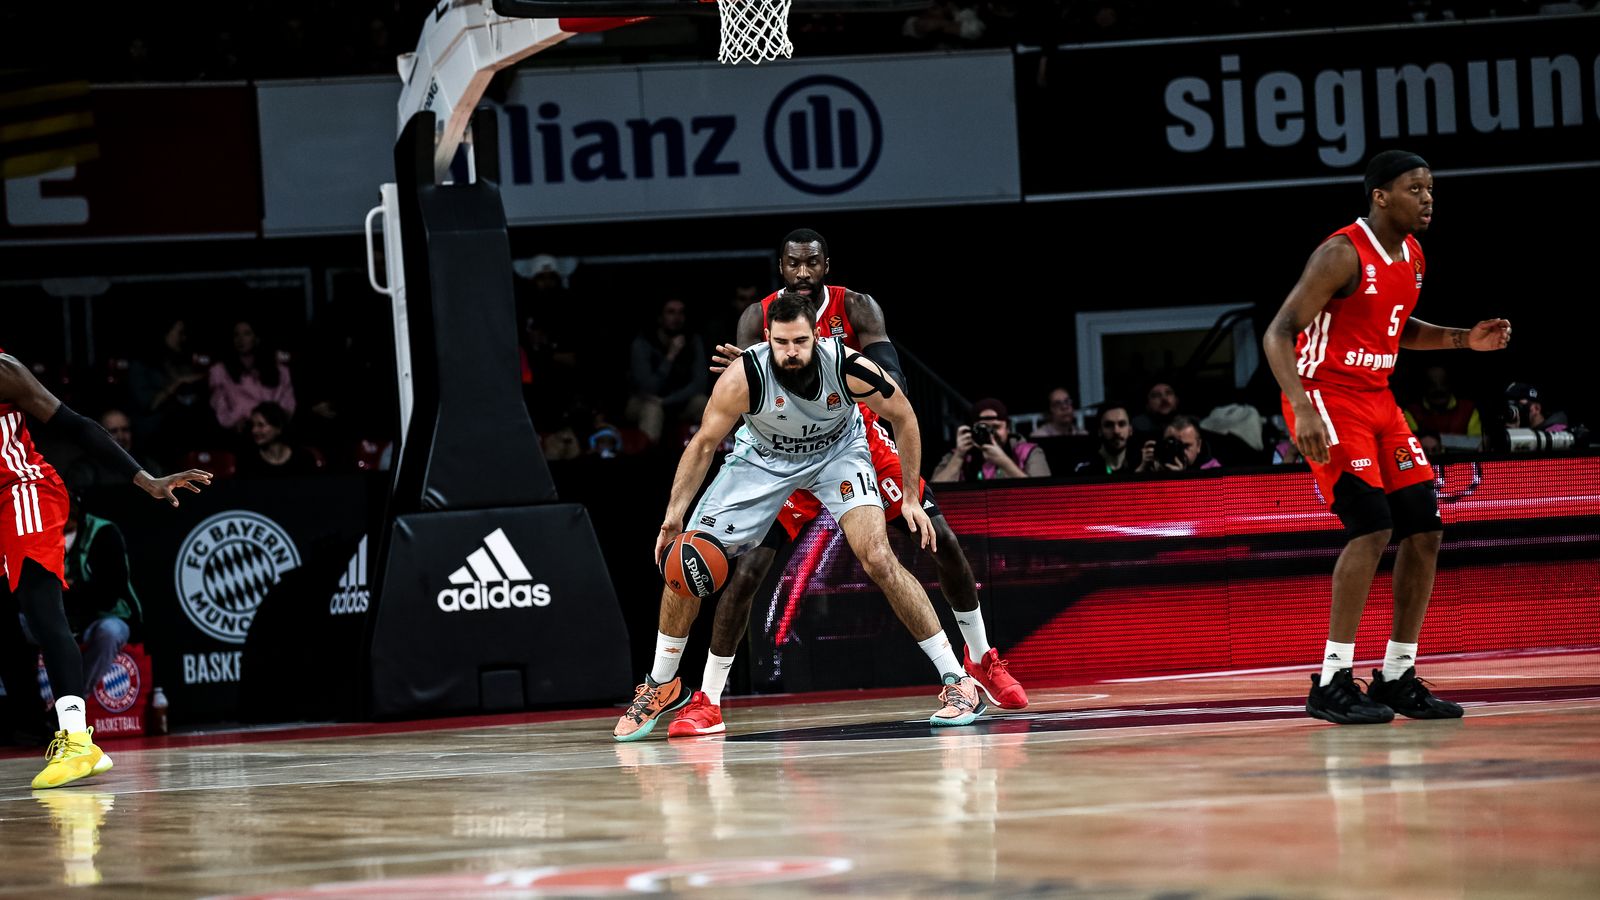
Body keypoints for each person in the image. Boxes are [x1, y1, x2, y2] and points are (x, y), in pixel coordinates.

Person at [684, 230, 1028, 737]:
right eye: (794, 265)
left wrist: (851, 379)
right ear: (781, 267)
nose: (803, 274)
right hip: (784, 449)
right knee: (749, 571)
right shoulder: (759, 318)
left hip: (851, 439)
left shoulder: (858, 308)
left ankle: (980, 659)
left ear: (826, 265)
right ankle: (709, 697)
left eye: (812, 264)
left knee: (938, 537)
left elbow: (893, 385)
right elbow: (747, 391)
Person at [614, 293, 986, 741]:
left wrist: (909, 495)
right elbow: (703, 445)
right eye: (782, 342)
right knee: (687, 558)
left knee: (878, 558)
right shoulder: (743, 377)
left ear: (817, 336)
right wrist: (673, 518)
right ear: (767, 337)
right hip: (763, 461)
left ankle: (959, 681)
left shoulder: (848, 367)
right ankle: (662, 684)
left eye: (801, 341)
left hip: (838, 455)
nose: (791, 352)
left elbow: (904, 416)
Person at [1262, 149, 1510, 726]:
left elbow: (1398, 330)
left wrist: (1461, 342)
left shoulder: (1415, 256)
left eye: (1430, 188)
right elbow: (1278, 332)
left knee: (1424, 526)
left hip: (1378, 399)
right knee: (1373, 525)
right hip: (1325, 393)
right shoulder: (1340, 253)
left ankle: (1397, 674)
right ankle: (1331, 680)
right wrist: (1300, 407)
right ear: (1380, 196)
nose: (1428, 198)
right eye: (1415, 188)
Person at [0, 347, 211, 788]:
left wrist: (144, 479)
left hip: (22, 493)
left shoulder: (5, 370)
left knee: (41, 610)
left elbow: (76, 425)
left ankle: (76, 740)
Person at [626, 297, 710, 446]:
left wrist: (667, 401)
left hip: (677, 401)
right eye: (671, 312)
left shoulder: (692, 340)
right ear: (660, 317)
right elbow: (648, 388)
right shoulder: (643, 342)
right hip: (644, 402)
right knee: (653, 409)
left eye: (681, 313)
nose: (676, 318)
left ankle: (707, 460)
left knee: (703, 403)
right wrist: (670, 357)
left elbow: (699, 384)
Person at [932, 397, 1051, 482]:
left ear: (1008, 428)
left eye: (995, 427)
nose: (990, 434)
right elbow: (933, 497)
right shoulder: (956, 455)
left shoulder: (1030, 452)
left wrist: (1004, 462)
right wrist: (958, 456)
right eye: (984, 428)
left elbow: (1044, 494)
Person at [209, 319, 295, 434]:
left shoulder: (278, 370)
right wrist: (234, 424)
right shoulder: (220, 371)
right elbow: (220, 407)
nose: (240, 339)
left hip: (274, 429)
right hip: (241, 430)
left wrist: (273, 423)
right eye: (236, 335)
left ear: (256, 338)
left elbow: (287, 403)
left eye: (247, 334)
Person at [236, 402, 321, 478]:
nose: (253, 430)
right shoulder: (249, 461)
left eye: (260, 425)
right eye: (252, 425)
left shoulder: (302, 458)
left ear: (279, 428)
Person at [1135, 414, 1220, 473]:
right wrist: (1142, 470)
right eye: (1172, 444)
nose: (1180, 451)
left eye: (1186, 446)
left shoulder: (1212, 470)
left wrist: (1179, 478)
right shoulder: (1154, 463)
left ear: (1198, 446)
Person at [1074, 402, 1139, 475]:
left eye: (1122, 424)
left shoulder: (1140, 464)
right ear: (1099, 430)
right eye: (1109, 425)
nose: (1116, 431)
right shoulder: (1085, 468)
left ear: (1130, 430)